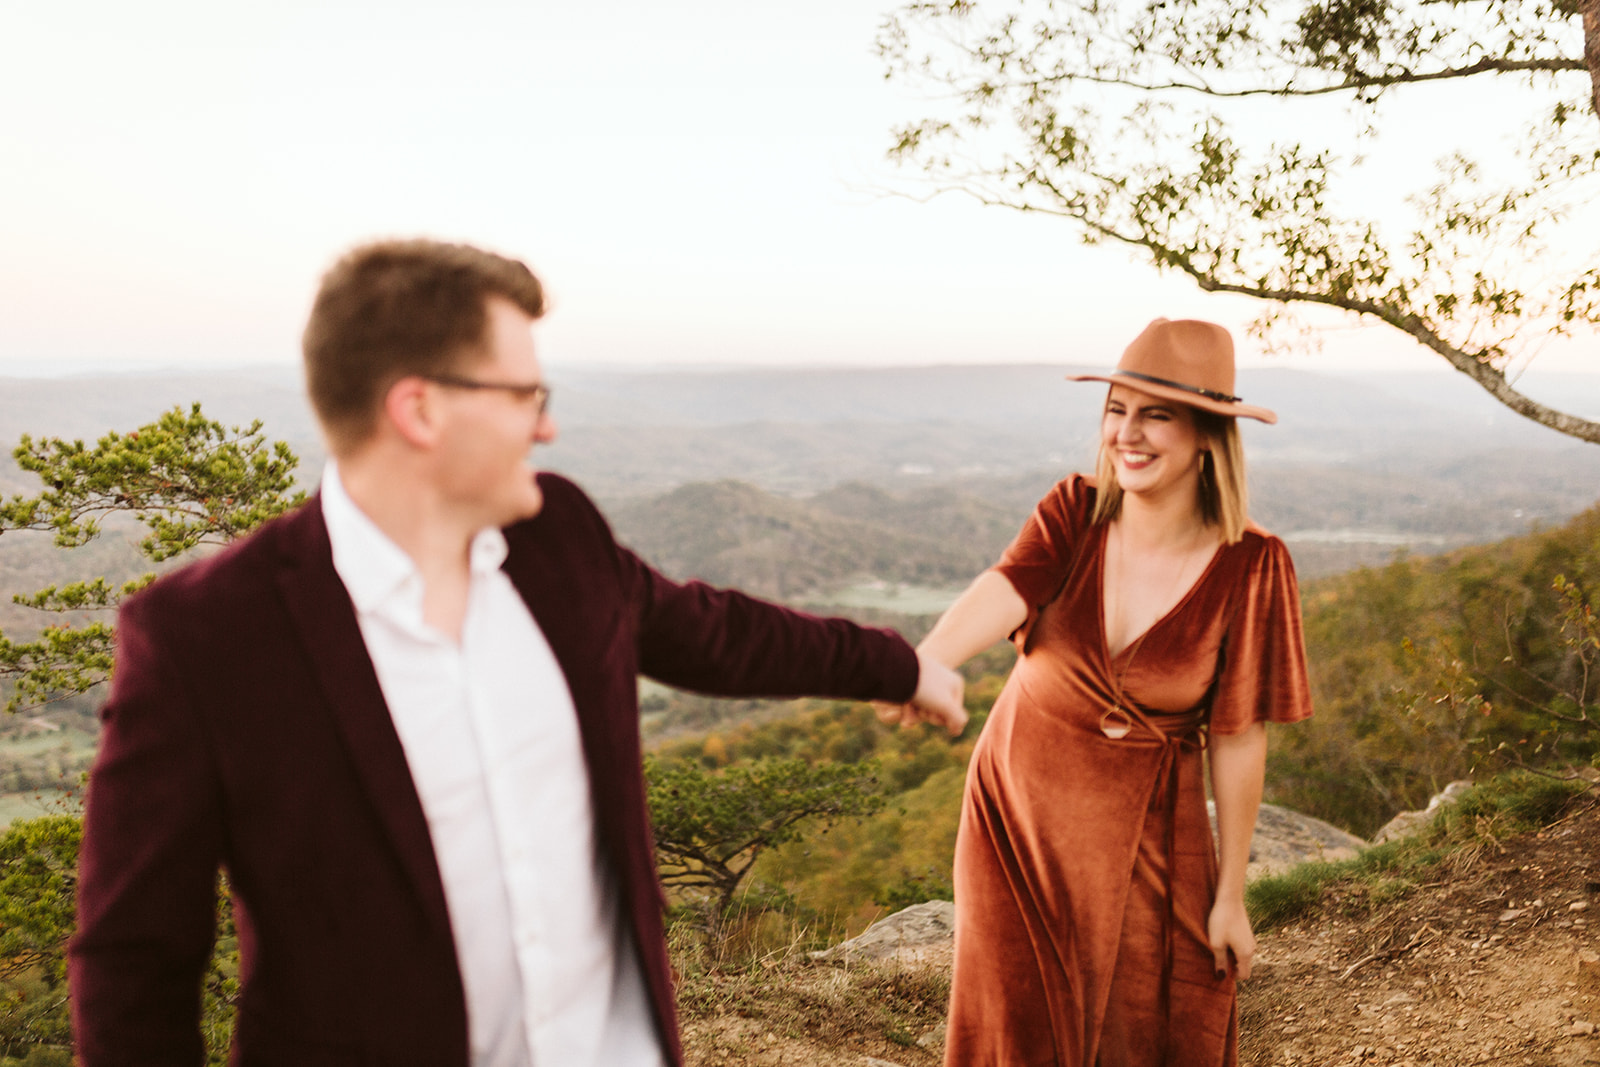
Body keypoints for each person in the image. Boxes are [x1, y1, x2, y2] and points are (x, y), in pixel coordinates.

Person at [68, 238, 967, 1067]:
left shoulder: (560, 536)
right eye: (525, 396)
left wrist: (902, 666)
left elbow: (716, 632)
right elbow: (132, 967)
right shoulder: (205, 639)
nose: (546, 428)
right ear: (419, 408)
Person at [879, 318, 1313, 1066]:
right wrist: (926, 661)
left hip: (1151, 822)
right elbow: (1007, 588)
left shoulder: (1253, 564)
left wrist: (1230, 894)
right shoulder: (1074, 511)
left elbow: (1241, 734)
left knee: (1152, 1017)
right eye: (1116, 410)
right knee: (1018, 1016)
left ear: (1208, 433)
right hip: (1017, 807)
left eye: (1156, 414)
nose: (1128, 434)